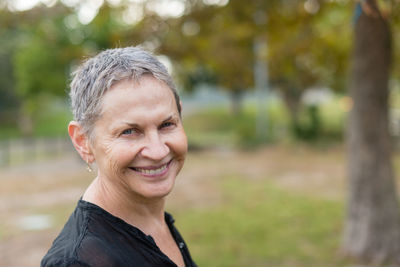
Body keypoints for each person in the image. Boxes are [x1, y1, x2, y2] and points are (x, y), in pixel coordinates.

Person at [41, 47, 197, 267]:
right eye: (129, 131)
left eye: (167, 124)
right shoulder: (78, 262)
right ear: (83, 141)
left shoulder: (152, 221)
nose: (158, 151)